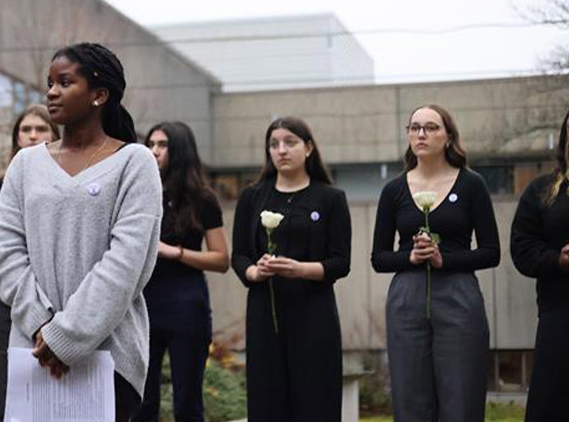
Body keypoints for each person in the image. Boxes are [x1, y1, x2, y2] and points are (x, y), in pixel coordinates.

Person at [0, 42, 162, 422]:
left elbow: (126, 263)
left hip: (108, 357)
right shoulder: (25, 164)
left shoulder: (135, 162)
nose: (51, 92)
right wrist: (41, 325)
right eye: (49, 83)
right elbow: (4, 253)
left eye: (65, 82)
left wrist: (66, 336)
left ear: (99, 94)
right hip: (31, 354)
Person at [372, 104, 499, 422]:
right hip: (406, 298)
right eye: (414, 128)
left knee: (461, 395)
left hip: (458, 295)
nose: (421, 134)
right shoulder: (393, 190)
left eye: (430, 127)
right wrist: (411, 257)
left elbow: (491, 251)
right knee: (411, 398)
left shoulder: (471, 184)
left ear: (448, 136)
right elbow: (379, 258)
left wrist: (446, 260)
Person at [231, 117, 351, 422]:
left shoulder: (330, 198)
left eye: (290, 142)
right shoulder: (252, 197)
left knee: (316, 402)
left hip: (314, 316)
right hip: (265, 313)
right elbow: (240, 255)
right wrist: (254, 273)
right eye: (274, 144)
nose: (281, 150)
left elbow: (340, 262)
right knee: (267, 401)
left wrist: (301, 269)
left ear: (309, 148)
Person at [132, 121, 229, 422]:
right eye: (151, 144)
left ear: (180, 151)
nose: (154, 151)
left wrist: (176, 252)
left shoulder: (202, 198)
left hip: (187, 305)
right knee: (141, 402)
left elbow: (221, 259)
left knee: (187, 402)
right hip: (142, 306)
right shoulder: (137, 192)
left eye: (162, 145)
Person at [0, 105, 59, 422]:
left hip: (55, 289)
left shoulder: (64, 181)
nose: (31, 136)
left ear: (55, 135)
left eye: (40, 129)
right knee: (9, 382)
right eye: (25, 130)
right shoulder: (2, 185)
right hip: (10, 294)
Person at [510, 106, 569, 421]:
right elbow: (522, 246)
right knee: (555, 403)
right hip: (560, 312)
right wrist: (557, 259)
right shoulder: (543, 190)